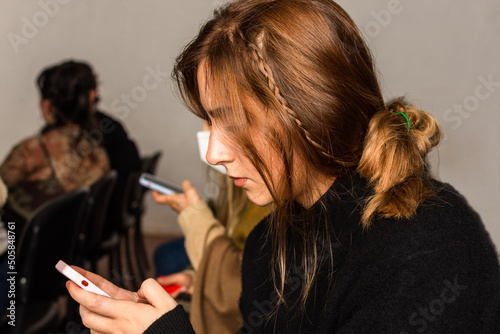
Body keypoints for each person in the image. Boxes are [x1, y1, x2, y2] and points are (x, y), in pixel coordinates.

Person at [67, 0, 500, 333]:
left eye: (234, 123)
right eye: (211, 122)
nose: (214, 152)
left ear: (309, 115)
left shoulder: (427, 252)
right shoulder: (270, 241)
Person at [153, 121, 271, 333]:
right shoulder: (239, 192)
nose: (212, 153)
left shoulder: (268, 204)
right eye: (207, 121)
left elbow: (245, 280)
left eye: (217, 120)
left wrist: (195, 214)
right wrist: (195, 277)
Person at [0, 61, 110, 230]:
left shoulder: (31, 151)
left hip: (23, 249)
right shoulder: (98, 155)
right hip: (69, 251)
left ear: (47, 106)